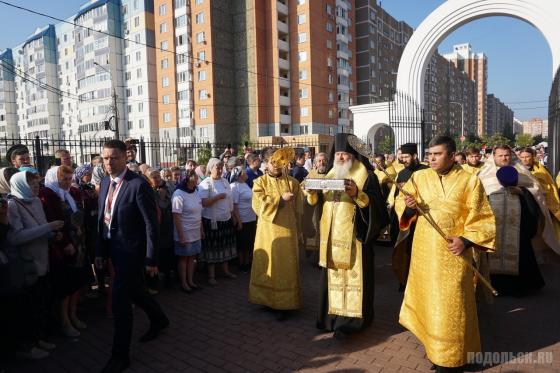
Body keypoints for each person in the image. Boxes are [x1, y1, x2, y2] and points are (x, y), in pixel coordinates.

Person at [395, 135, 496, 372]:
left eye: (437, 154)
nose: (431, 158)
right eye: (429, 154)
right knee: (430, 303)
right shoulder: (418, 177)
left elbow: (483, 218)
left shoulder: (470, 181)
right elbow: (403, 204)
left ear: (451, 156)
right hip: (424, 253)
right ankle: (434, 350)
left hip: (454, 254)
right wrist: (409, 207)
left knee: (454, 305)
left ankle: (453, 359)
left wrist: (465, 240)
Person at [95, 140, 169, 373]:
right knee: (137, 291)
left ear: (125, 157)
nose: (109, 162)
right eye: (105, 158)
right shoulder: (105, 181)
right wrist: (99, 251)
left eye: (114, 157)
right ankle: (159, 319)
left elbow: (151, 225)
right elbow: (103, 219)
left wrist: (151, 259)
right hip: (112, 250)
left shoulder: (138, 185)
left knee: (120, 303)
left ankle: (120, 356)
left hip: (132, 253)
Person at [311, 134, 387, 337]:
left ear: (353, 156)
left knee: (355, 280)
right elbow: (319, 203)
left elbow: (378, 209)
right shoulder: (328, 176)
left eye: (345, 154)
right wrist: (311, 191)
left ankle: (353, 322)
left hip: (355, 241)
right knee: (331, 279)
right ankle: (330, 319)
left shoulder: (366, 176)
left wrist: (357, 194)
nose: (341, 158)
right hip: (331, 240)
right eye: (337, 153)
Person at [478, 145, 560, 296]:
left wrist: (523, 191)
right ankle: (492, 286)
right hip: (492, 224)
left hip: (518, 224)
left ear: (511, 156)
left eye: (506, 155)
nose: (504, 158)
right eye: (500, 155)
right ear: (493, 157)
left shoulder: (522, 172)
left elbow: (536, 192)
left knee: (521, 252)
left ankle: (520, 287)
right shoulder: (483, 175)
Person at [7, 171, 65, 360]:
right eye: (31, 184)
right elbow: (15, 237)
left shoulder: (37, 201)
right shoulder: (12, 205)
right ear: (21, 185)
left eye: (37, 183)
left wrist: (52, 234)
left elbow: (40, 227)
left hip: (43, 260)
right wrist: (48, 228)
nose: (36, 187)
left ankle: (39, 338)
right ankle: (28, 346)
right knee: (29, 306)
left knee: (41, 303)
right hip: (28, 265)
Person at [249, 148, 302, 320]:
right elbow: (258, 206)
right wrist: (280, 200)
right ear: (266, 163)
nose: (278, 165)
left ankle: (284, 304)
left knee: (285, 267)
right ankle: (266, 300)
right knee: (269, 264)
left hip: (288, 233)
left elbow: (300, 210)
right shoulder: (259, 182)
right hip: (267, 234)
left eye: (281, 161)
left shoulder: (293, 183)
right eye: (274, 162)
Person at [39, 166, 90, 338]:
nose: (68, 182)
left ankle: (73, 315)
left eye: (70, 178)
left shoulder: (70, 193)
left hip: (78, 244)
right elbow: (55, 222)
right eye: (64, 179)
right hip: (63, 247)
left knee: (75, 283)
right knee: (65, 286)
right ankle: (64, 321)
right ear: (54, 179)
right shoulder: (48, 194)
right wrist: (66, 243)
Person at [388, 143, 428, 290]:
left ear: (415, 156)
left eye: (406, 157)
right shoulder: (402, 173)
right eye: (401, 156)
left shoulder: (426, 171)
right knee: (404, 250)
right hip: (403, 218)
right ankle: (404, 280)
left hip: (420, 220)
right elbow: (396, 193)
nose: (403, 159)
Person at [198, 158, 238, 285]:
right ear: (211, 168)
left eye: (221, 168)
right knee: (213, 248)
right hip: (212, 221)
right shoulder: (205, 184)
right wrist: (217, 197)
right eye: (217, 168)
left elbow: (230, 201)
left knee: (225, 246)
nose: (220, 170)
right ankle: (211, 276)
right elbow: (203, 203)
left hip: (225, 219)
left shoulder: (225, 181)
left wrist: (233, 216)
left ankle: (225, 271)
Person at [518, 147, 560, 239]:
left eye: (527, 156)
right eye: (522, 157)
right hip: (525, 204)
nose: (525, 159)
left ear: (533, 156)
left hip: (543, 203)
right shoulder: (517, 170)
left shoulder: (542, 171)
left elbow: (549, 187)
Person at [172, 170, 203, 293]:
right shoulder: (178, 194)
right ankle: (184, 283)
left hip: (195, 231)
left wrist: (201, 229)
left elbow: (199, 212)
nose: (196, 179)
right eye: (193, 177)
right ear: (186, 179)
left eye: (196, 176)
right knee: (184, 258)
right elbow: (176, 217)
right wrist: (181, 236)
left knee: (192, 257)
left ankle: (191, 281)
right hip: (184, 232)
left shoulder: (196, 192)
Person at [147, 169, 175, 289]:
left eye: (158, 176)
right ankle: (155, 281)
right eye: (154, 177)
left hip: (167, 227)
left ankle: (168, 277)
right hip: (156, 228)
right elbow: (159, 207)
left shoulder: (166, 188)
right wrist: (161, 198)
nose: (157, 179)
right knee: (157, 254)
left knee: (168, 253)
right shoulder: (149, 191)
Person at [301, 153, 329, 257]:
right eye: (319, 161)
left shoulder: (332, 173)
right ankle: (314, 257)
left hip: (327, 206)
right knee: (315, 231)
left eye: (324, 160)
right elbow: (302, 187)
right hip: (315, 209)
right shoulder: (311, 174)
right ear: (315, 163)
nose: (322, 162)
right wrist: (308, 191)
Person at [230, 167, 256, 273]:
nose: (246, 173)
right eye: (244, 172)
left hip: (251, 218)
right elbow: (234, 206)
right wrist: (239, 221)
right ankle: (242, 264)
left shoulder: (245, 184)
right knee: (242, 244)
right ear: (240, 174)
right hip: (243, 219)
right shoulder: (234, 187)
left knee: (249, 242)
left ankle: (247, 262)